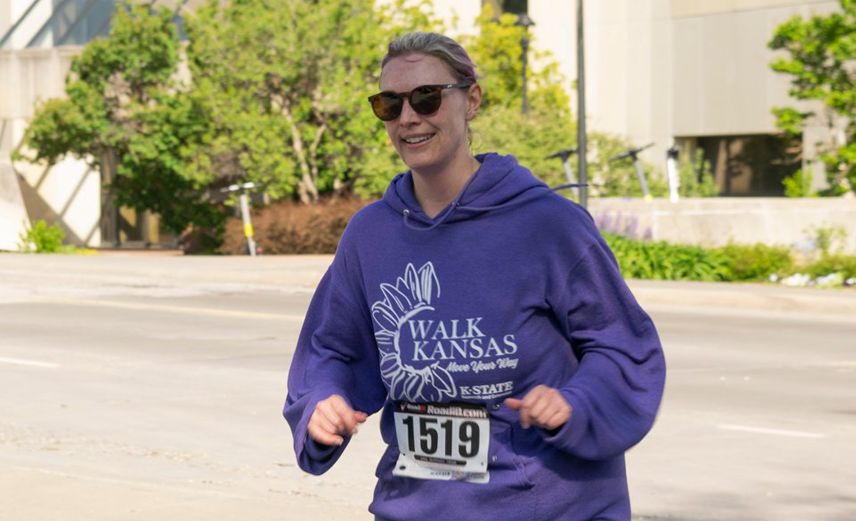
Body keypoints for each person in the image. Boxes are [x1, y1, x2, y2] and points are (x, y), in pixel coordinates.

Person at [283, 32, 666, 521]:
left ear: (472, 100)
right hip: (413, 505)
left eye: (427, 97)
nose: (408, 117)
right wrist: (322, 402)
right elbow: (331, 351)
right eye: (389, 104)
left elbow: (623, 345)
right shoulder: (370, 234)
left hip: (549, 508)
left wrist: (576, 400)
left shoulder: (548, 225)